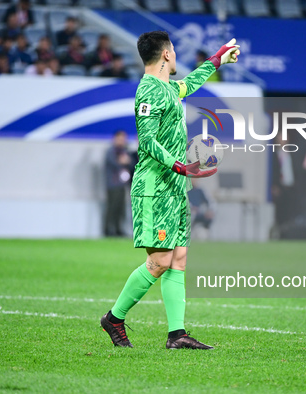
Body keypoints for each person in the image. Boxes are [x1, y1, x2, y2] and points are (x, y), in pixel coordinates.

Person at [99, 31, 240, 350]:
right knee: (161, 260)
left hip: (176, 188)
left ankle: (177, 335)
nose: (176, 56)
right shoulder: (148, 90)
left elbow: (190, 84)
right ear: (165, 54)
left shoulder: (168, 88)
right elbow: (147, 142)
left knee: (178, 259)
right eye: (174, 51)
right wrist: (179, 165)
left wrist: (217, 59)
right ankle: (114, 318)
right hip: (155, 188)